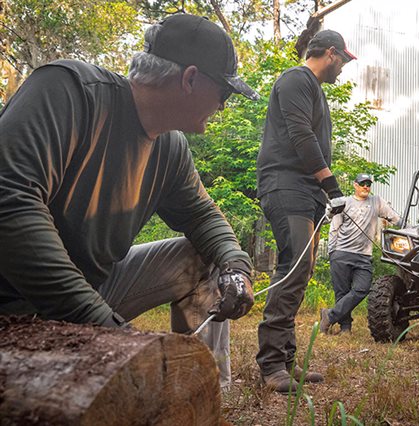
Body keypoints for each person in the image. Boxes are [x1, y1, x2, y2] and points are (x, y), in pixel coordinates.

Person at [0, 14, 259, 391]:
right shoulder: (69, 90)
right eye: (224, 92)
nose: (223, 105)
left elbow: (202, 215)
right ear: (189, 79)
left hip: (94, 294)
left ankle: (201, 394)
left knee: (204, 258)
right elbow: (11, 200)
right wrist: (103, 325)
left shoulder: (170, 147)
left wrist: (237, 265)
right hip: (18, 299)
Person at [255, 29, 356, 393]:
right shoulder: (296, 80)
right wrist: (333, 186)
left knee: (303, 268)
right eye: (343, 60)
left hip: (307, 189)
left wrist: (323, 189)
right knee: (295, 264)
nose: (343, 69)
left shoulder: (313, 89)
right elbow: (301, 136)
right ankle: (270, 365)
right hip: (286, 185)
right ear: (330, 53)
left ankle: (286, 361)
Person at [319, 174, 401, 335]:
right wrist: (332, 252)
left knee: (362, 289)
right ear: (355, 185)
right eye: (362, 184)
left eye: (368, 184)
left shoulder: (376, 202)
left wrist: (410, 226)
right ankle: (345, 328)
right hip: (341, 253)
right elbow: (333, 227)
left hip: (363, 256)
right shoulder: (344, 202)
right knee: (342, 292)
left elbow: (394, 217)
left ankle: (329, 315)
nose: (366, 187)